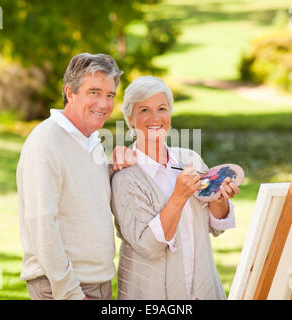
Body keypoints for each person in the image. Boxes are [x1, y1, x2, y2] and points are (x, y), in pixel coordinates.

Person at [17, 53, 134, 300]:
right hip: (62, 287)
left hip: (97, 282)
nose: (104, 104)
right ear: (70, 93)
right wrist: (69, 292)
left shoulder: (91, 141)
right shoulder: (46, 141)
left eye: (110, 95)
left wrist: (112, 168)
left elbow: (84, 197)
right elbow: (41, 224)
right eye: (94, 92)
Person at [111, 76, 240, 300]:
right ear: (130, 119)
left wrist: (220, 200)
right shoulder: (126, 177)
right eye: (144, 110)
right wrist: (178, 196)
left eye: (162, 108)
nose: (155, 118)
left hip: (201, 287)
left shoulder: (190, 159)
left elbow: (216, 226)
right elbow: (148, 246)